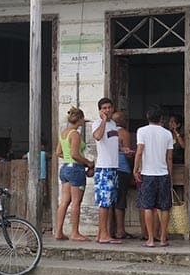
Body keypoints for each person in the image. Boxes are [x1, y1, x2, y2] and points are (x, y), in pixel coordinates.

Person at [133, 107, 173, 247]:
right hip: (163, 173)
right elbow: (169, 157)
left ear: (147, 116)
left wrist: (135, 169)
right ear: (160, 118)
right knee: (164, 207)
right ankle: (162, 238)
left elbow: (139, 152)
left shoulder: (142, 131)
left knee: (148, 207)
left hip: (147, 173)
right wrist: (169, 173)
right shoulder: (168, 134)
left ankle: (150, 239)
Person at [54, 107, 93, 242]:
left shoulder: (64, 133)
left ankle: (58, 231)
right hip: (75, 169)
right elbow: (75, 154)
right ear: (80, 119)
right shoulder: (74, 134)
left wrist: (68, 159)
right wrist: (88, 162)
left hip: (65, 168)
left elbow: (58, 152)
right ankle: (75, 233)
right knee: (76, 202)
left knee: (64, 201)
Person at [92, 97, 121, 244]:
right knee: (104, 202)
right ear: (100, 110)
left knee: (109, 202)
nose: (107, 110)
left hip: (113, 166)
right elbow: (97, 136)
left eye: (109, 107)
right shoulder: (98, 124)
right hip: (104, 167)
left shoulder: (114, 124)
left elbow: (111, 143)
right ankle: (104, 235)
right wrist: (103, 120)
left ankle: (101, 234)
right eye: (104, 108)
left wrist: (123, 149)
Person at [111, 110, 135, 240]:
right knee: (120, 200)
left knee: (111, 200)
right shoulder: (124, 133)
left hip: (111, 168)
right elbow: (128, 153)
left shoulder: (108, 132)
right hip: (122, 169)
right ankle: (120, 231)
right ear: (122, 121)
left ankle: (111, 229)